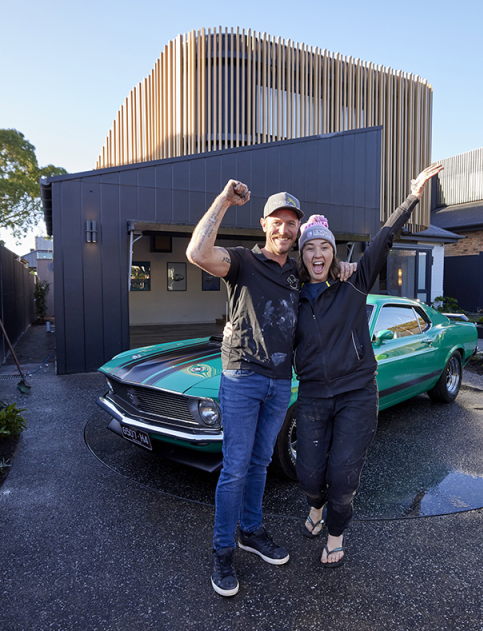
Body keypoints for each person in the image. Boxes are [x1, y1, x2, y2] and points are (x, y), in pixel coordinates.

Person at [292, 163, 443, 568]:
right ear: (302, 256)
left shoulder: (354, 283)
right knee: (308, 472)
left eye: (324, 246)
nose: (318, 253)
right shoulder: (293, 295)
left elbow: (384, 238)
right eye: (310, 247)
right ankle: (315, 508)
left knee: (342, 476)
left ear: (334, 252)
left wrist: (412, 195)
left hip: (357, 392)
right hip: (312, 395)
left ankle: (335, 535)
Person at [186, 180, 304, 597]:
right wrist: (223, 200)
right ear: (263, 224)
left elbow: (329, 266)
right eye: (278, 222)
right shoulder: (242, 262)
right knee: (235, 468)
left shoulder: (298, 270)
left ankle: (250, 531)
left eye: (292, 224)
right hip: (242, 377)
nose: (284, 230)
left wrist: (341, 266)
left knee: (259, 464)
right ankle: (222, 551)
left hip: (279, 381)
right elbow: (198, 253)